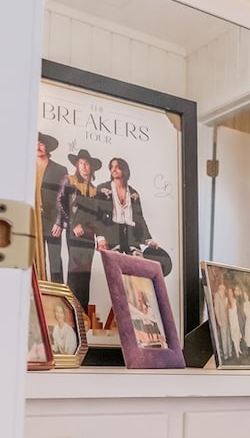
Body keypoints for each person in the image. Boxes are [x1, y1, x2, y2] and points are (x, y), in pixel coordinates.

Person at [56, 148, 102, 314]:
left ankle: (83, 313)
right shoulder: (69, 181)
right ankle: (70, 311)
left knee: (86, 273)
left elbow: (97, 215)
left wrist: (95, 234)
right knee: (75, 271)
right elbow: (61, 203)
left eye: (87, 163)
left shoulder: (95, 189)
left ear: (91, 167)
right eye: (81, 163)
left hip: (89, 235)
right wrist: (72, 224)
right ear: (76, 165)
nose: (83, 166)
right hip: (74, 233)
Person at [93, 157, 159, 257]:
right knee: (114, 268)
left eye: (117, 167)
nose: (113, 170)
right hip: (111, 235)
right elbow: (97, 214)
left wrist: (148, 240)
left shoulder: (134, 194)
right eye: (112, 167)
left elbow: (139, 218)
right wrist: (100, 237)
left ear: (125, 170)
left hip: (131, 237)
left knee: (136, 267)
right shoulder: (102, 189)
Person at [35, 133, 67, 284]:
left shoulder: (59, 169)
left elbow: (65, 197)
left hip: (52, 221)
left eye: (41, 143)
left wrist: (60, 221)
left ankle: (58, 297)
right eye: (35, 143)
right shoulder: (27, 167)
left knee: (55, 260)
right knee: (34, 260)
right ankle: (37, 297)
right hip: (33, 220)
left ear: (47, 146)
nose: (38, 146)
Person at [213, 279, 232, 360]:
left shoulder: (225, 296)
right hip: (222, 319)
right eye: (223, 287)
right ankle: (225, 354)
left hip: (227, 319)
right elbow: (216, 309)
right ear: (220, 287)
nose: (224, 289)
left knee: (228, 336)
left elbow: (227, 308)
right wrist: (219, 320)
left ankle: (229, 352)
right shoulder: (217, 295)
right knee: (223, 337)